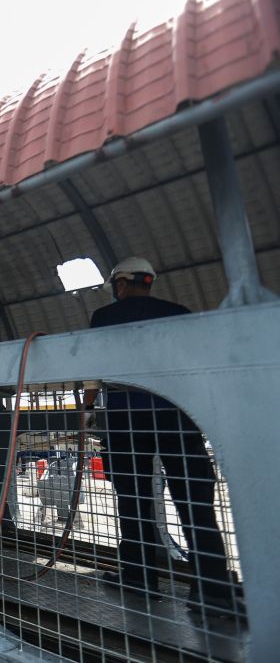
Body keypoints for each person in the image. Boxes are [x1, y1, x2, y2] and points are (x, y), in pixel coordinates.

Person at [86, 257, 239, 617]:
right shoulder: (179, 313)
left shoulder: (104, 317)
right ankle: (212, 591)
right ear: (149, 281)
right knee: (195, 504)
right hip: (177, 417)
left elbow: (92, 367)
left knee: (132, 500)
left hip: (126, 420)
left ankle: (139, 578)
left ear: (120, 285)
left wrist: (88, 408)